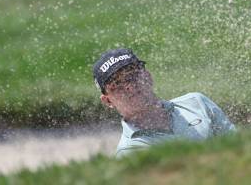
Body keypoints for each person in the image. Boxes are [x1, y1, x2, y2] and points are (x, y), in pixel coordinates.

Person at [93, 48, 236, 158]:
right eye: (117, 84)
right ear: (108, 101)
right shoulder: (130, 153)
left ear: (148, 76)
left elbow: (240, 149)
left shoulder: (197, 102)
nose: (129, 86)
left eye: (133, 75)